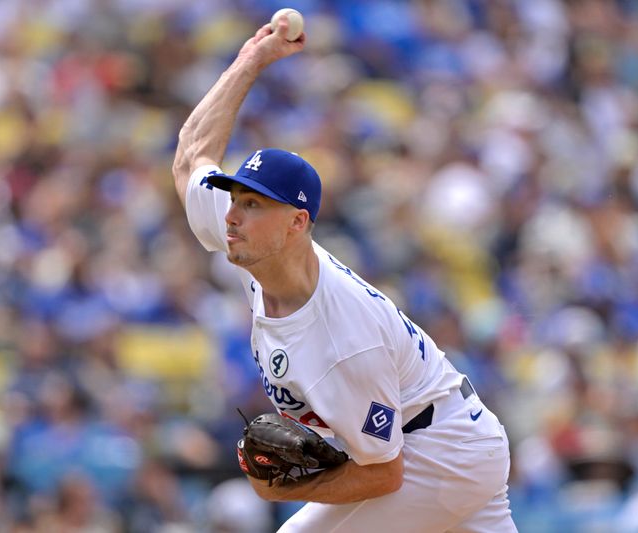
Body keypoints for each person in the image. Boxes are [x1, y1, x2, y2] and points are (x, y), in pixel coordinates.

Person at [171, 16, 517, 533]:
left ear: (296, 223)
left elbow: (384, 474)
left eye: (252, 204)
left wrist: (282, 490)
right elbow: (190, 157)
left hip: (440, 452)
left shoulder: (343, 337)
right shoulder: (249, 241)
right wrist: (251, 61)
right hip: (449, 437)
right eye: (235, 198)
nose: (233, 215)